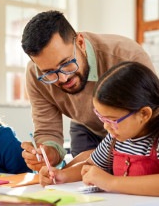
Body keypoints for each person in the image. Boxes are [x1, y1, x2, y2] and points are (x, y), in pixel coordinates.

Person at [21, 10, 155, 171]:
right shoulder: (36, 75)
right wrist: (48, 154)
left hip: (135, 132)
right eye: (50, 72)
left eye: (66, 64)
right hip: (86, 127)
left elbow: (151, 116)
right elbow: (47, 130)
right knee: (85, 182)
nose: (63, 78)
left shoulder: (127, 55)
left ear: (80, 43)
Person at [39, 61, 159, 196]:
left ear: (144, 114)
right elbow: (92, 166)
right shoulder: (116, 138)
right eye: (102, 118)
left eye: (112, 120)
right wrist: (62, 175)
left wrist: (110, 182)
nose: (106, 126)